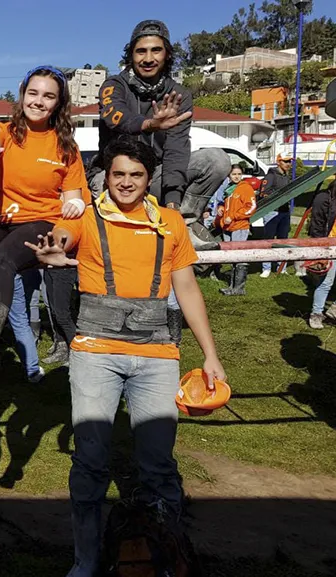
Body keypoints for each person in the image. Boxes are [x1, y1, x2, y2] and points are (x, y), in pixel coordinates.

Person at [26, 138, 226, 577]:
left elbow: (187, 289)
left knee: (158, 462)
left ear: (149, 178)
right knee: (91, 459)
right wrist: (56, 249)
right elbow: (64, 233)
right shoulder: (87, 217)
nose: (127, 183)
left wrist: (210, 354)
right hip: (96, 352)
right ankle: (86, 559)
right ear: (106, 176)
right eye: (118, 174)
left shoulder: (170, 222)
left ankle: (165, 554)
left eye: (136, 175)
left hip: (157, 354)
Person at [91, 19, 231, 343]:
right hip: (114, 177)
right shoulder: (113, 85)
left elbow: (179, 151)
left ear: (167, 54)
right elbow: (117, 118)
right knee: (102, 189)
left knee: (217, 160)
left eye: (156, 50)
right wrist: (151, 123)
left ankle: (187, 223)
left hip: (155, 178)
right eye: (141, 51)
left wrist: (173, 207)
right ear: (131, 55)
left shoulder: (180, 93)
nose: (148, 57)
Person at [0, 65, 87, 386]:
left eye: (49, 96)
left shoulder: (65, 146)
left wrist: (75, 203)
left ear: (59, 104)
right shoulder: (0, 132)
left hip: (43, 222)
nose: (38, 101)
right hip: (3, 221)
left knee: (2, 259)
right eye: (33, 93)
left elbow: (75, 200)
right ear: (22, 94)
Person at [216, 176, 257, 296]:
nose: (236, 176)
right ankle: (232, 286)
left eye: (239, 173)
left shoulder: (245, 188)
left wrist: (233, 216)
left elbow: (251, 207)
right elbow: (226, 204)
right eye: (233, 174)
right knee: (232, 256)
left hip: (239, 226)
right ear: (229, 176)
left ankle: (239, 288)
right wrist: (221, 208)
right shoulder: (229, 189)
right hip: (227, 226)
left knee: (239, 256)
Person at [257, 154, 294, 278]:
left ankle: (281, 267)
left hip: (284, 211)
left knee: (283, 239)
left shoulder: (286, 176)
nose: (288, 164)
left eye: (289, 161)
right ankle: (266, 268)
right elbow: (263, 193)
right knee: (269, 239)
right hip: (272, 211)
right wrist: (279, 196)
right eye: (285, 161)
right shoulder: (271, 175)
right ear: (279, 162)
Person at [308, 180, 336, 329]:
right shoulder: (324, 198)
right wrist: (320, 249)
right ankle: (316, 314)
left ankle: (333, 310)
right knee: (326, 282)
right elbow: (317, 225)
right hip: (328, 245)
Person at [205, 164, 244, 230]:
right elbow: (205, 196)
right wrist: (206, 210)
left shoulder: (233, 185)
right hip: (210, 214)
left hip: (224, 216)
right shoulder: (209, 179)